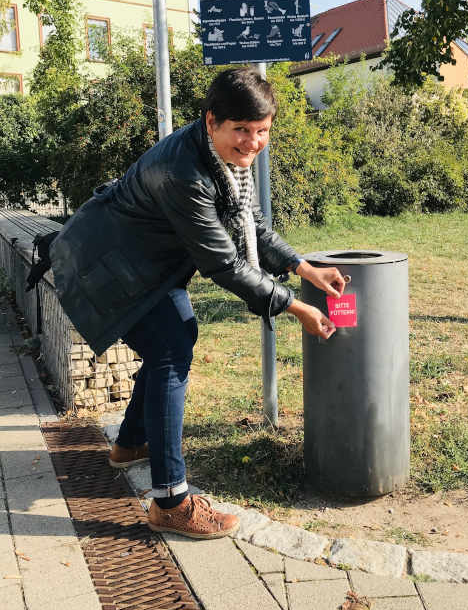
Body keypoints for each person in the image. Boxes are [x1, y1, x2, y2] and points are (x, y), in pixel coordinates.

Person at [50, 67, 345, 540]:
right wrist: (297, 307)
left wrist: (303, 268)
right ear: (212, 122)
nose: (252, 142)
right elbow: (224, 264)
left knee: (174, 339)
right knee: (171, 347)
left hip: (140, 265)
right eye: (241, 130)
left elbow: (250, 224)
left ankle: (130, 443)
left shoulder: (218, 162)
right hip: (106, 270)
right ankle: (170, 500)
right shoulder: (185, 172)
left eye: (262, 131)